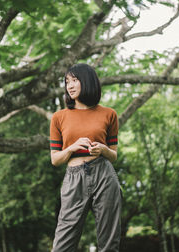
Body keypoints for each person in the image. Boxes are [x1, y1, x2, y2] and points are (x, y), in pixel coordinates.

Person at [50, 63, 122, 252]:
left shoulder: (109, 114)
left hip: (104, 175)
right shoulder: (59, 117)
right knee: (63, 244)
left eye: (75, 80)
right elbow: (55, 159)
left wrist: (103, 149)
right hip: (74, 178)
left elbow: (113, 155)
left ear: (88, 81)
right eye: (67, 82)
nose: (70, 86)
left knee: (109, 243)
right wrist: (72, 148)